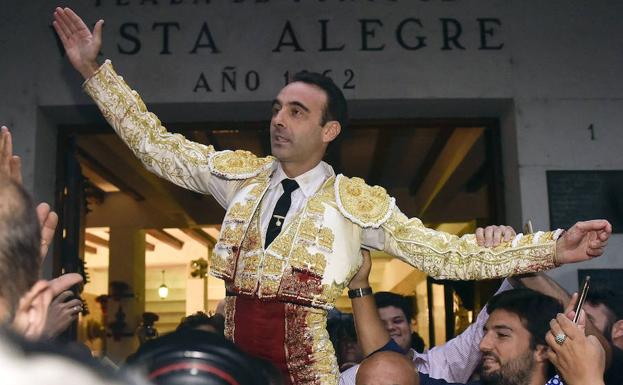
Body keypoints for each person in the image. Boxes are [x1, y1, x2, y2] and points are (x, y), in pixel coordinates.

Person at [52, 7, 612, 384]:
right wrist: (94, 71)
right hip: (235, 369)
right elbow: (155, 146)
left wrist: (555, 248)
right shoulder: (239, 176)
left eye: (297, 112)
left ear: (329, 131)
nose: (279, 119)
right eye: (276, 108)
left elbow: (445, 254)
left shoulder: (354, 203)